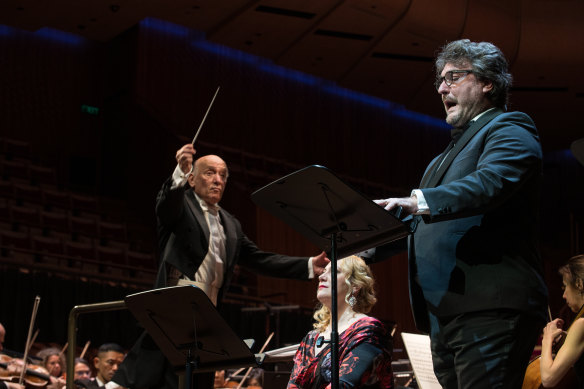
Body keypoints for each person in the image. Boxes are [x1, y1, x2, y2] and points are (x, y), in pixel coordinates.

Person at [370, 39, 548, 388]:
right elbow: (420, 224)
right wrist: (362, 244)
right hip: (445, 312)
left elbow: (490, 183)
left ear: (487, 83)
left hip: (489, 307)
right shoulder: (440, 159)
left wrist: (417, 200)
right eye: (440, 79)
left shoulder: (511, 128)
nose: (440, 88)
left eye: (453, 77)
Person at [113, 145, 329, 389]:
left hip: (208, 313)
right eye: (209, 173)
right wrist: (178, 174)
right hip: (175, 305)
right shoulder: (181, 207)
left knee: (199, 378)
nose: (217, 180)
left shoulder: (231, 224)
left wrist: (310, 265)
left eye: (223, 175)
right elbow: (166, 205)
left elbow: (258, 259)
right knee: (158, 376)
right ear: (192, 179)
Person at [288, 255, 393, 388]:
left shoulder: (369, 330)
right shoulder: (311, 338)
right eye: (323, 271)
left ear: (355, 285)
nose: (321, 276)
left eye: (334, 272)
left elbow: (344, 385)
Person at [540, 254, 584, 387]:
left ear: (579, 284)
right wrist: (568, 338)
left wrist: (547, 338)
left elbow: (548, 379)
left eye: (565, 287)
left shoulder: (582, 324)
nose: (564, 296)